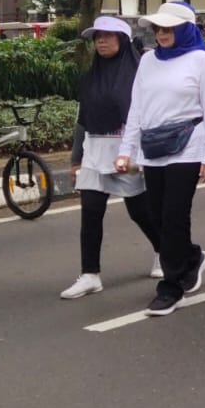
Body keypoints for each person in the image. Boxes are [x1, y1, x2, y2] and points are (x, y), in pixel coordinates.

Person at [115, 1, 205, 317]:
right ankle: (190, 257)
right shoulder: (148, 61)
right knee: (157, 215)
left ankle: (171, 287)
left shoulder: (202, 61)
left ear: (185, 29)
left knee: (175, 215)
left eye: (169, 29)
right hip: (153, 148)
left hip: (189, 146)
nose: (161, 35)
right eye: (158, 29)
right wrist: (126, 151)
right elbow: (137, 107)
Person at [60, 16, 161, 300]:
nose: (101, 41)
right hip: (95, 151)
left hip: (128, 149)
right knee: (91, 210)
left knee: (139, 210)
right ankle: (90, 274)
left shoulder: (141, 74)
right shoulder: (92, 76)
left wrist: (144, 155)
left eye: (108, 36)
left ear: (123, 40)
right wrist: (76, 159)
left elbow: (150, 115)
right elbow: (83, 119)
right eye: (97, 37)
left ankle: (164, 251)